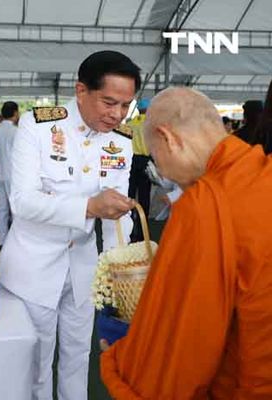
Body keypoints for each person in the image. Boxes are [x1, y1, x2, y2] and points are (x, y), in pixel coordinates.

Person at [101, 86, 272, 398]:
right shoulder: (262, 173)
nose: (163, 171)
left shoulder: (206, 206)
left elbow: (182, 348)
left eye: (156, 158)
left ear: (169, 139)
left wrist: (117, 361)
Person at [0, 50, 140, 400]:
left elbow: (116, 214)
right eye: (109, 102)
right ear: (81, 90)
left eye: (126, 105)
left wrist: (118, 269)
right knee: (37, 362)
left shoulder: (120, 140)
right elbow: (23, 201)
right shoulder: (40, 125)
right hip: (34, 266)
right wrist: (90, 206)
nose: (117, 114)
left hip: (83, 269)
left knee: (79, 357)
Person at [0, 101, 19, 245]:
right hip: (12, 174)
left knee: (2, 208)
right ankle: (16, 240)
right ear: (15, 113)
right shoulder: (15, 131)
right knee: (15, 208)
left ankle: (2, 239)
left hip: (0, 173)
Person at [126, 98, 151, 241]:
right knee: (144, 198)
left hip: (131, 162)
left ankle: (128, 231)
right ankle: (142, 234)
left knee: (129, 197)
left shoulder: (130, 124)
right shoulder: (150, 125)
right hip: (145, 162)